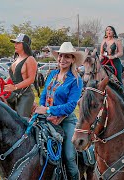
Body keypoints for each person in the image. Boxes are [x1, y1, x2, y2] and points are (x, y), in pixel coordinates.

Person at [35, 42, 85, 180]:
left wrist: (49, 109)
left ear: (73, 59)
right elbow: (44, 95)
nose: (63, 59)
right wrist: (42, 110)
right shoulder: (52, 74)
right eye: (61, 56)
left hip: (67, 120)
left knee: (69, 156)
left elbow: (70, 106)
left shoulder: (76, 80)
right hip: (46, 117)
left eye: (67, 57)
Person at [5, 33, 37, 117]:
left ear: (25, 45)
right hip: (13, 95)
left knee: (21, 121)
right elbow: (13, 77)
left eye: (18, 43)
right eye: (15, 43)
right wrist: (2, 83)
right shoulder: (16, 59)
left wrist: (15, 87)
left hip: (25, 95)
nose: (15, 45)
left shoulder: (30, 59)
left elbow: (31, 79)